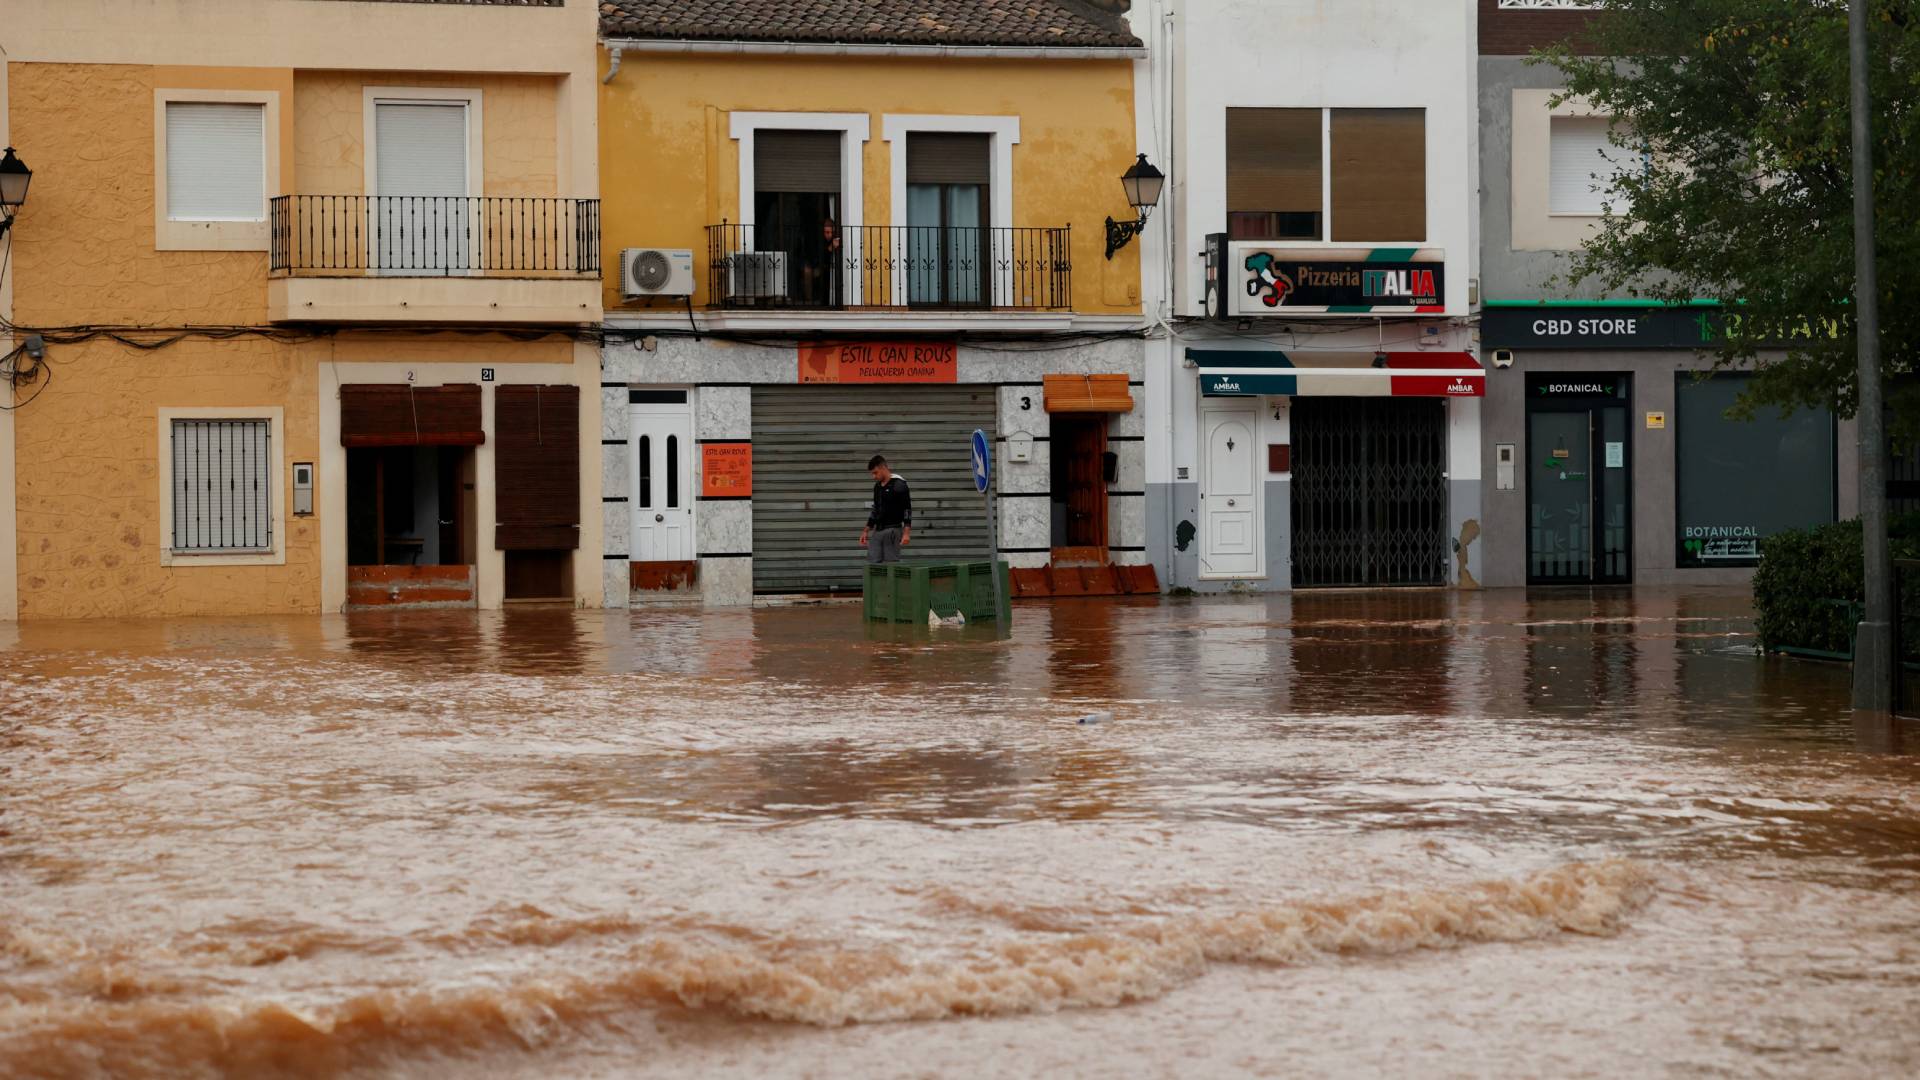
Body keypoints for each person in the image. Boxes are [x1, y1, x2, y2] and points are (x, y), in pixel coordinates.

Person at [860, 454, 911, 563]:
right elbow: (876, 509)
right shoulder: (878, 487)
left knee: (891, 565)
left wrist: (906, 533)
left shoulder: (899, 485)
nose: (873, 476)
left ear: (883, 468)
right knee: (873, 563)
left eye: (875, 472)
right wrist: (866, 530)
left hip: (893, 530)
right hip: (878, 530)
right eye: (872, 473)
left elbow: (907, 509)